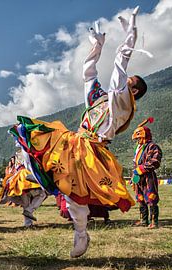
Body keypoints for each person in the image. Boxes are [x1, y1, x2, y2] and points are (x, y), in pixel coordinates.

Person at [10, 7, 148, 257]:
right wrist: (96, 47)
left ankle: (81, 232)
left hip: (94, 151)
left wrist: (130, 36)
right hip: (74, 144)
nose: (125, 82)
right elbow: (88, 74)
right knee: (36, 144)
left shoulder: (122, 103)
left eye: (130, 82)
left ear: (134, 92)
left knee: (77, 194)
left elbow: (120, 65)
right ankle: (79, 229)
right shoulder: (99, 99)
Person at [0, 155, 48, 227]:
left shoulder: (19, 155)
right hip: (26, 178)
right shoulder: (27, 153)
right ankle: (29, 213)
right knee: (42, 194)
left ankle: (28, 223)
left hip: (17, 178)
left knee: (26, 203)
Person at [131, 117, 162, 228]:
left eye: (139, 138)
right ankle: (143, 220)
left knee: (151, 197)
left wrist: (141, 169)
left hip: (148, 177)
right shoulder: (139, 148)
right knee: (140, 198)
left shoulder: (153, 147)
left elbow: (155, 161)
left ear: (144, 136)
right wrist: (133, 176)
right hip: (138, 178)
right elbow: (135, 163)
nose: (137, 140)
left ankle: (154, 222)